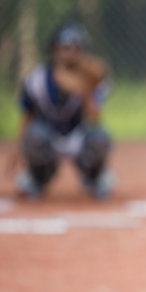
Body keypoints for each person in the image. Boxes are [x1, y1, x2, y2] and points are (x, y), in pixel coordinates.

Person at [9, 21, 114, 200]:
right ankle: (37, 178)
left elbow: (95, 118)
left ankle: (94, 178)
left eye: (76, 48)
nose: (70, 53)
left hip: (77, 135)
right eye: (65, 48)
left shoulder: (90, 80)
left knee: (100, 138)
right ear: (54, 50)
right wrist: (18, 149)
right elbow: (27, 116)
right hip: (49, 135)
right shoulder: (37, 79)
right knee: (35, 137)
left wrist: (85, 90)